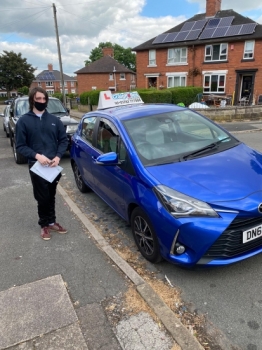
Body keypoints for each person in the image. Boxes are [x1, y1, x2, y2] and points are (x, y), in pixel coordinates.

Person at [16, 87, 68, 241]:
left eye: (44, 99)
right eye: (38, 99)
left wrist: (58, 157)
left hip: (53, 166)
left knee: (51, 195)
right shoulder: (24, 121)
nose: (42, 102)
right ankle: (44, 224)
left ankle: (52, 222)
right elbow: (20, 146)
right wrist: (37, 156)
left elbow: (63, 140)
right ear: (32, 100)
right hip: (37, 167)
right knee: (42, 196)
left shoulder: (54, 120)